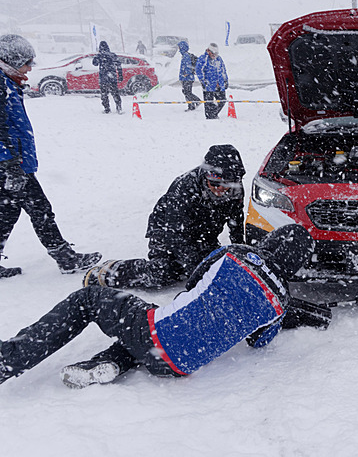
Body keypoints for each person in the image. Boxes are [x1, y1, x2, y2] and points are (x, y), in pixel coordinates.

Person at [0, 224, 331, 389]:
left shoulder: (237, 252)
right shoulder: (280, 304)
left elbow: (194, 280)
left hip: (156, 333)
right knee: (153, 332)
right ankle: (110, 363)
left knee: (88, 300)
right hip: (177, 365)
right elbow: (258, 342)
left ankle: (9, 358)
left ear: (272, 240)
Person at [0, 34, 102, 278]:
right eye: (26, 62)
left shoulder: (9, 82)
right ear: (12, 60)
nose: (30, 68)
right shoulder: (2, 86)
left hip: (14, 162)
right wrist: (9, 163)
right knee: (40, 209)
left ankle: (65, 257)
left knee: (8, 212)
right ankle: (66, 259)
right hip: (11, 164)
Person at [82, 144, 247, 289]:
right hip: (166, 231)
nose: (220, 189)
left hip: (204, 234)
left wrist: (241, 253)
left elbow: (236, 222)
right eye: (215, 181)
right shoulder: (183, 189)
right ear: (205, 175)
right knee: (163, 272)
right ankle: (111, 272)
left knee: (218, 264)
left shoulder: (235, 190)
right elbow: (177, 238)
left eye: (226, 183)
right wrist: (197, 273)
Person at [195, 42, 228, 119]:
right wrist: (203, 81)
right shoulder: (203, 58)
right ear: (208, 51)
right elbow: (198, 70)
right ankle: (210, 117)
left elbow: (223, 70)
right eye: (213, 53)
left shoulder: (219, 59)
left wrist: (225, 81)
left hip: (219, 85)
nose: (214, 55)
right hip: (208, 85)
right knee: (208, 104)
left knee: (222, 101)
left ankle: (213, 115)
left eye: (216, 53)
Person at [92, 41, 124, 114]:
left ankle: (107, 109)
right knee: (115, 93)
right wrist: (120, 75)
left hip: (103, 77)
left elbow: (94, 63)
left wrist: (97, 56)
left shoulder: (99, 56)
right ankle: (119, 107)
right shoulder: (112, 55)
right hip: (112, 77)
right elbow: (119, 65)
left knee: (104, 94)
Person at [178, 40, 200, 111]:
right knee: (186, 92)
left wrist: (185, 74)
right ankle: (192, 105)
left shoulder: (186, 56)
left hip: (187, 78)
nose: (178, 49)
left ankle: (195, 102)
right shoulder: (185, 55)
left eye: (179, 47)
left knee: (187, 92)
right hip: (187, 78)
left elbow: (188, 66)